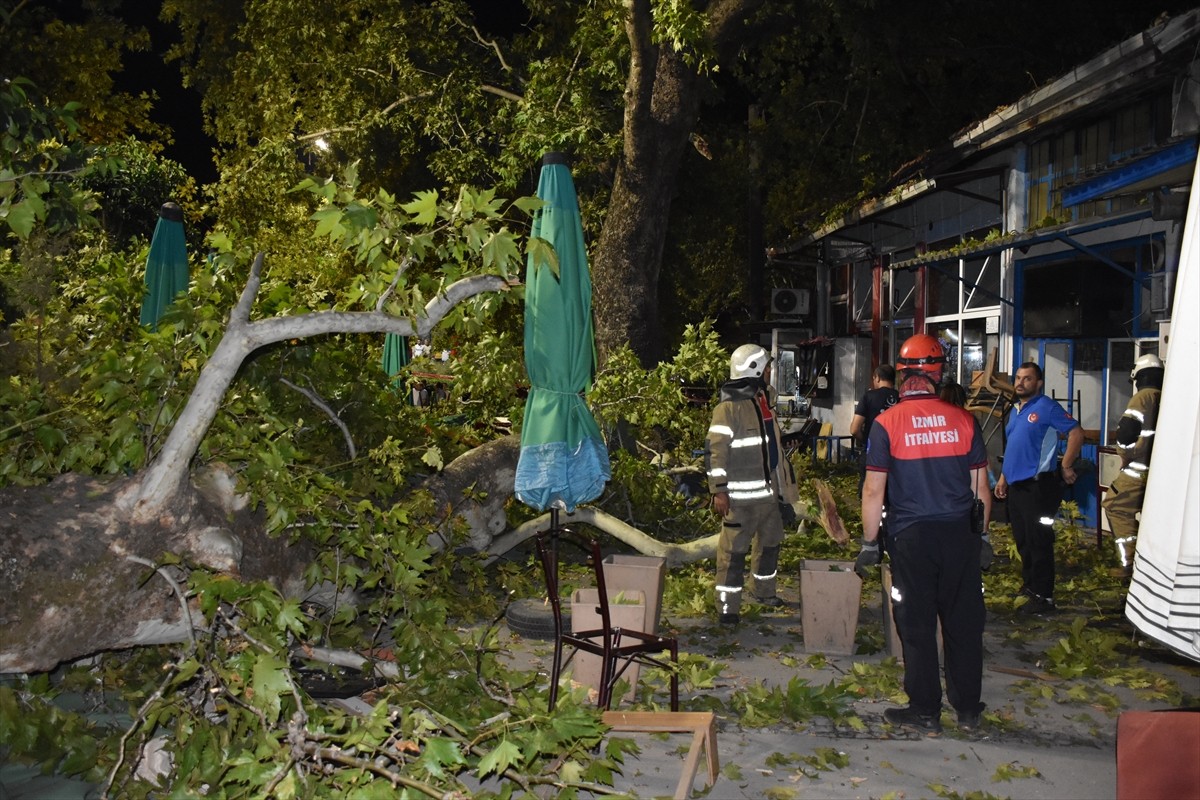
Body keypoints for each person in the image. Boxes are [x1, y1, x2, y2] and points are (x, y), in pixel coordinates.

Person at [855, 333, 992, 734]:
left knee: (916, 626)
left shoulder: (886, 424)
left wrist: (868, 544)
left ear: (902, 374)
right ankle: (967, 710)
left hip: (910, 539)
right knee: (963, 624)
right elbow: (980, 488)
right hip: (959, 537)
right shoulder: (964, 421)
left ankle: (925, 712)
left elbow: (872, 490)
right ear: (938, 373)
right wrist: (983, 537)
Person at [706, 344, 800, 624]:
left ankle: (763, 592)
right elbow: (715, 453)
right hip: (740, 501)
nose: (770, 372)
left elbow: (769, 448)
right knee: (733, 556)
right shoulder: (728, 409)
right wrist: (719, 491)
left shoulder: (763, 401)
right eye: (767, 367)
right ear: (755, 370)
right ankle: (727, 608)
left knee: (770, 546)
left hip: (769, 497)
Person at [993, 362, 1083, 615]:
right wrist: (1003, 479)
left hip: (1039, 488)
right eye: (1018, 378)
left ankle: (1044, 596)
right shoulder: (1016, 410)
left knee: (1039, 541)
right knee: (1023, 540)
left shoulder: (1047, 408)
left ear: (1039, 383)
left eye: (1027, 379)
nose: (1020, 383)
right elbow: (1013, 448)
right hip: (1017, 488)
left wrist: (1066, 465)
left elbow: (1076, 432)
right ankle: (1031, 587)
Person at [1102, 353, 1163, 573]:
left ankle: (1130, 564)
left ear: (1139, 376)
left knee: (1115, 506)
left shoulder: (1142, 397)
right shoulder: (1167, 397)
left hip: (1137, 471)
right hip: (1160, 473)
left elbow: (1126, 433)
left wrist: (1124, 454)